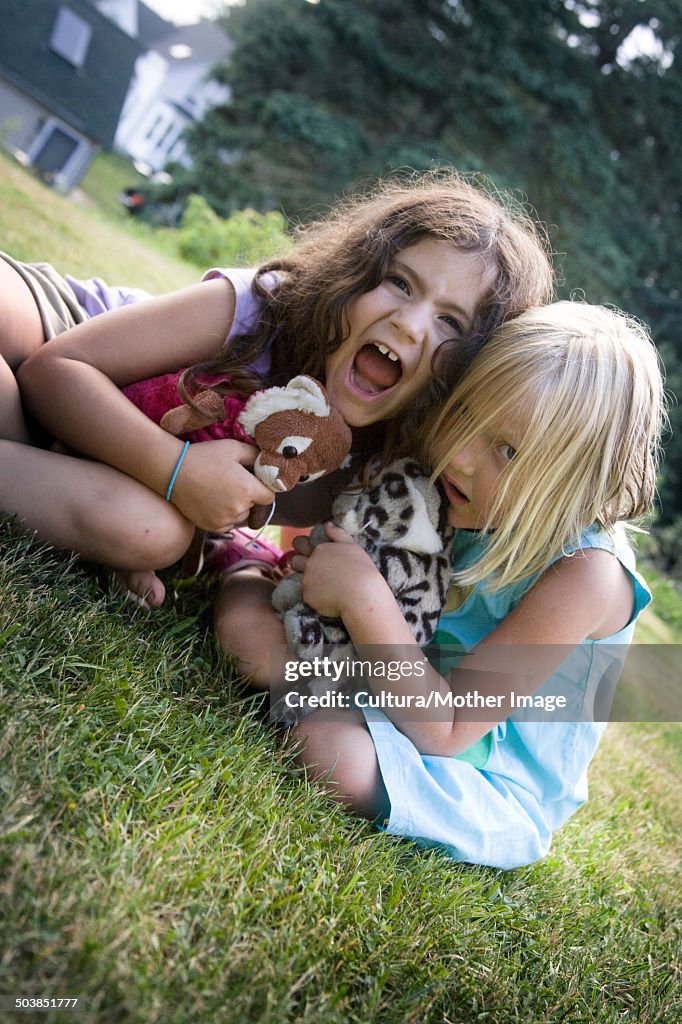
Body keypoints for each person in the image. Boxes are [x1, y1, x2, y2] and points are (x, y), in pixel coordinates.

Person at [0, 171, 553, 615]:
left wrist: (206, 535)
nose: (410, 324)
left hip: (85, 452)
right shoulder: (263, 311)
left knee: (150, 533)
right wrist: (178, 471)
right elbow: (54, 369)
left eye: (451, 324)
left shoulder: (373, 473)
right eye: (400, 283)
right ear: (354, 274)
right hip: (62, 331)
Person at [278, 300, 664, 869]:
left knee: (326, 749)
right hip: (400, 692)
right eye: (464, 417)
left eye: (506, 450)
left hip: (483, 773)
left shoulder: (585, 575)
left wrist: (362, 597)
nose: (458, 458)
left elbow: (450, 727)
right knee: (245, 622)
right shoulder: (467, 496)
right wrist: (331, 565)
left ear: (575, 484)